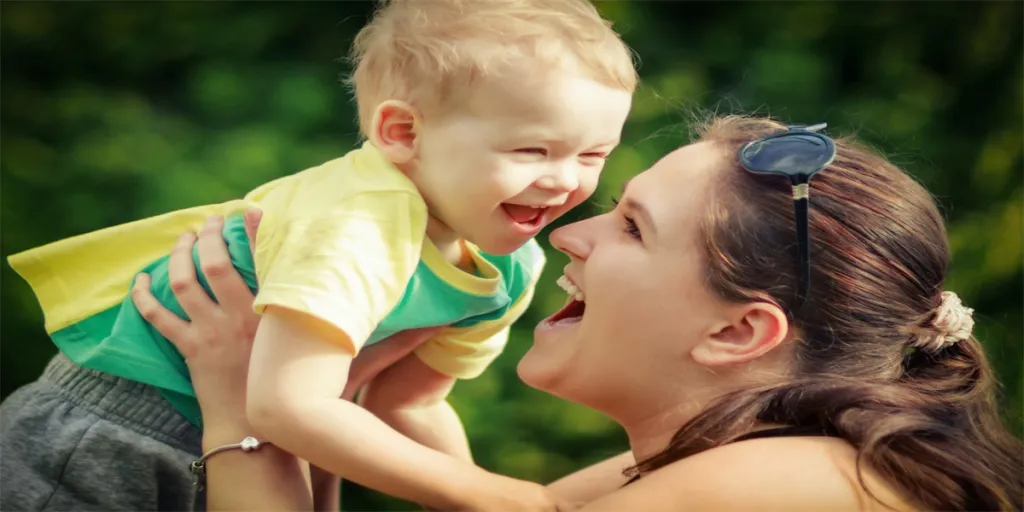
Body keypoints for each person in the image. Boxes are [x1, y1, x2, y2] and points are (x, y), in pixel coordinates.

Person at [135, 115, 1023, 511]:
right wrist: (303, 410)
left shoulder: (783, 485)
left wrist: (239, 400)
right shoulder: (683, 472)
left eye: (633, 228)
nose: (572, 236)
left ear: (736, 332)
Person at [1, 0, 636, 509]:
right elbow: (287, 406)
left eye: (593, 154)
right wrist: (497, 495)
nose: (564, 181)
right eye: (532, 150)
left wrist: (478, 493)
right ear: (402, 133)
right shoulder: (356, 219)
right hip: (110, 432)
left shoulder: (508, 264)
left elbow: (408, 404)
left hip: (251, 446)